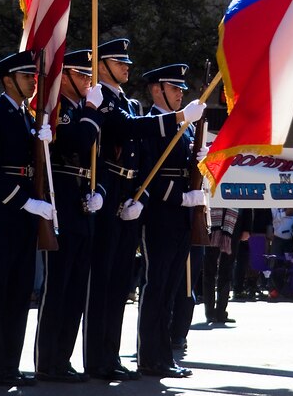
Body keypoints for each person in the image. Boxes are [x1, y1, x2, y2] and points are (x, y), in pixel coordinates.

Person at [83, 39, 205, 382]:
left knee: (128, 286)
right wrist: (157, 197)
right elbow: (139, 143)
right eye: (119, 63)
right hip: (126, 202)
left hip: (133, 200)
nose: (127, 67)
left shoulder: (128, 103)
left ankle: (116, 356)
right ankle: (103, 358)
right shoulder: (109, 101)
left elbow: (144, 162)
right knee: (113, 284)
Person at [0, 50, 55, 387]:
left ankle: (10, 362)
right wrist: (25, 202)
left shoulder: (28, 116)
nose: (33, 82)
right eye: (27, 77)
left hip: (25, 212)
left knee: (20, 291)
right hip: (2, 212)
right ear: (8, 80)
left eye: (34, 77)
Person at [34, 50, 104, 383]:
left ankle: (63, 358)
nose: (90, 82)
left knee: (76, 288)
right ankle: (47, 360)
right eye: (83, 75)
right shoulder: (59, 110)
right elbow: (78, 139)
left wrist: (99, 192)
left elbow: (96, 160)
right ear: (66, 76)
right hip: (61, 200)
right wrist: (91, 110)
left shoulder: (80, 110)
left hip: (81, 202)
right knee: (58, 287)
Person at [137, 63, 206, 379]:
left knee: (171, 289)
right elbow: (146, 172)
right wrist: (178, 197)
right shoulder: (150, 124)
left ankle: (163, 355)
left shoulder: (189, 127)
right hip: (160, 213)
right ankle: (149, 356)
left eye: (181, 89)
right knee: (156, 286)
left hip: (182, 214)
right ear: (156, 90)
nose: (180, 94)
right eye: (174, 88)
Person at [203, 207, 250, 323]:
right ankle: (209, 312)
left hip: (233, 226)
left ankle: (221, 312)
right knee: (209, 271)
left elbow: (248, 202)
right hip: (211, 226)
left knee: (226, 271)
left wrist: (247, 228)